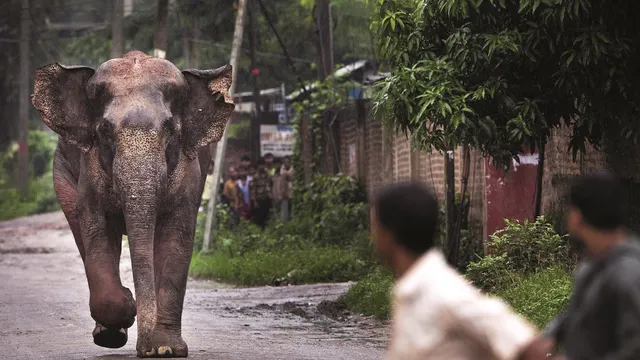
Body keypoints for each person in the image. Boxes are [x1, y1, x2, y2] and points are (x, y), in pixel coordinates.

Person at [371, 182, 552, 360]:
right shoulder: (411, 292)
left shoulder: (442, 292)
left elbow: (526, 345)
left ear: (388, 234)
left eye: (375, 227)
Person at [540, 172, 640, 360]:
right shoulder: (593, 263)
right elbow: (578, 310)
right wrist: (551, 335)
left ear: (577, 216)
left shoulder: (628, 273)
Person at [250, 158, 273, 229]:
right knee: (259, 217)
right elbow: (253, 189)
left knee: (267, 215)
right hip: (259, 199)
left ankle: (267, 230)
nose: (261, 167)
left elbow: (271, 184)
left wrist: (271, 194)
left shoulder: (268, 174)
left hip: (267, 198)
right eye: (260, 165)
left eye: (263, 165)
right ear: (258, 166)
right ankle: (259, 231)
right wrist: (254, 201)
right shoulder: (255, 176)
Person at [281, 155, 294, 220]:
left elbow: (291, 178)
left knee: (292, 209)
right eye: (285, 162)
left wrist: (286, 174)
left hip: (292, 192)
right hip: (284, 194)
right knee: (285, 211)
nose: (286, 163)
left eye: (288, 162)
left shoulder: (293, 169)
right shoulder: (281, 170)